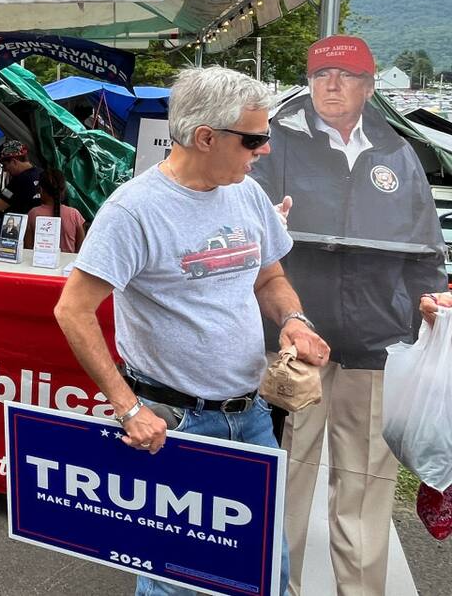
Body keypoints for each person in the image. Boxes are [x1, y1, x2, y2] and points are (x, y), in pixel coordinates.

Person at [54, 67, 329, 596]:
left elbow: (269, 275)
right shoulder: (134, 210)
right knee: (178, 579)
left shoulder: (246, 193)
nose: (265, 150)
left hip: (249, 415)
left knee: (264, 570)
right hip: (175, 421)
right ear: (206, 137)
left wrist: (294, 320)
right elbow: (73, 310)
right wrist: (128, 408)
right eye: (254, 138)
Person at [248, 35, 446, 596]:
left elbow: (425, 249)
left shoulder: (396, 151)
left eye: (346, 74)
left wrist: (422, 315)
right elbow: (253, 237)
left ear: (369, 83)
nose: (332, 85)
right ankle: (274, 587)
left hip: (376, 345)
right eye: (321, 74)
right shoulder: (274, 145)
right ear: (309, 83)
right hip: (292, 342)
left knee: (364, 488)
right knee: (286, 477)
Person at [24, 169, 88, 253]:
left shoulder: (33, 214)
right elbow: (81, 249)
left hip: (40, 264)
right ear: (63, 190)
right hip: (68, 265)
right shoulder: (74, 214)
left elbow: (28, 249)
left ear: (41, 190)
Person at [0, 139, 42, 215]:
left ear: (14, 161)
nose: (5, 170)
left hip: (23, 224)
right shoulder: (44, 174)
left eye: (4, 165)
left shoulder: (19, 180)